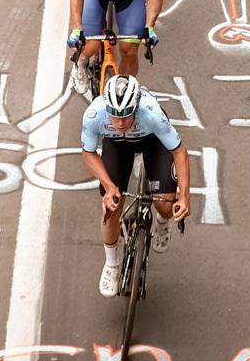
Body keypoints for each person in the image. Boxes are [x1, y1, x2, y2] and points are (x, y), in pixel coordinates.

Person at [80, 73, 188, 296]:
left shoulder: (152, 114)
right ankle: (111, 265)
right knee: (112, 207)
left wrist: (184, 195)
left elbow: (179, 152)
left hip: (152, 142)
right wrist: (109, 186)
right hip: (117, 147)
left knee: (165, 205)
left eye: (126, 116)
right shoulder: (94, 114)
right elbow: (89, 153)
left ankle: (161, 220)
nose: (120, 122)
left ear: (136, 108)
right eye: (114, 115)